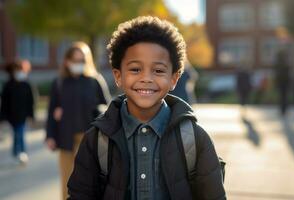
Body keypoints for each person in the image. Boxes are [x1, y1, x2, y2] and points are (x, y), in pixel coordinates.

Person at [67, 16, 226, 200]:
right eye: (135, 69)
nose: (146, 78)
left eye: (158, 70)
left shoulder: (195, 139)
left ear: (174, 78)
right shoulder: (97, 140)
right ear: (118, 76)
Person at [45, 41, 111, 200]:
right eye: (75, 60)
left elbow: (107, 108)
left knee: (89, 180)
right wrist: (50, 136)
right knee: (67, 180)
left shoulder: (95, 80)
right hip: (65, 138)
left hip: (89, 139)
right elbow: (51, 111)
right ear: (67, 61)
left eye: (82, 60)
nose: (78, 64)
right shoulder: (59, 83)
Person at [0, 59, 35, 165]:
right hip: (12, 116)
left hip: (23, 115)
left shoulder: (26, 84)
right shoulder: (8, 85)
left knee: (20, 133)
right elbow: (4, 103)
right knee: (17, 133)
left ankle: (21, 152)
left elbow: (31, 101)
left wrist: (31, 115)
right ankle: (17, 151)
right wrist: (2, 117)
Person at [273, 50, 290, 116]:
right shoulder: (284, 64)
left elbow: (277, 75)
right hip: (284, 83)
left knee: (282, 97)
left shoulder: (279, 64)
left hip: (282, 83)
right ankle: (283, 110)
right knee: (284, 97)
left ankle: (283, 110)